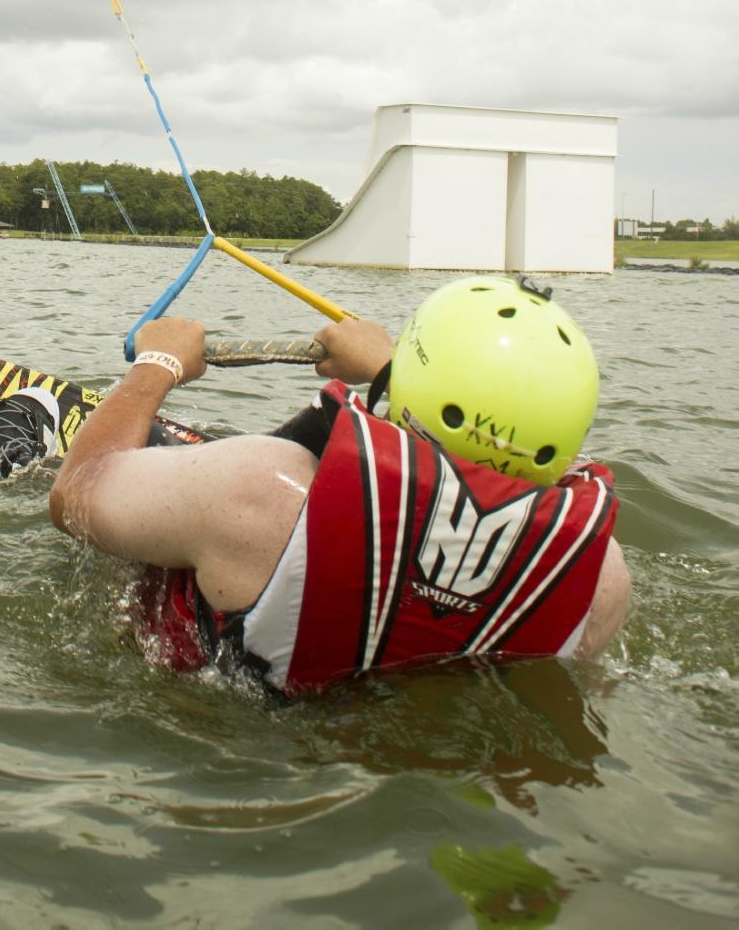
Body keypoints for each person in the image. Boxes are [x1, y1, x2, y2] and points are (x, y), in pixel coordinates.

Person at [42, 275, 631, 699]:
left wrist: (158, 365)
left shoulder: (262, 488)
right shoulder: (600, 578)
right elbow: (476, 443)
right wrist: (387, 372)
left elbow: (74, 496)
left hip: (235, 735)